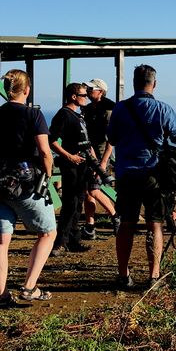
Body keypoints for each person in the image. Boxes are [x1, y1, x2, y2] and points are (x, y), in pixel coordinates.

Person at [0, 69, 56, 305]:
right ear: (27, 90)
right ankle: (29, 286)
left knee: (0, 239)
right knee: (48, 233)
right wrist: (47, 175)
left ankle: (3, 295)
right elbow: (45, 152)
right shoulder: (33, 115)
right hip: (25, 186)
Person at [106, 64, 176, 288]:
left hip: (126, 173)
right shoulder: (163, 109)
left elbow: (111, 139)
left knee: (126, 224)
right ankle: (154, 276)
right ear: (154, 84)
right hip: (154, 173)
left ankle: (124, 275)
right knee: (155, 224)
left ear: (134, 83)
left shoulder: (120, 109)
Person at [49, 83, 93, 256]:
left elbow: (86, 142)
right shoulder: (64, 115)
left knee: (78, 202)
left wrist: (94, 161)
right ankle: (60, 243)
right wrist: (69, 156)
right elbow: (52, 140)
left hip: (83, 165)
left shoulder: (79, 116)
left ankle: (73, 240)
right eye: (83, 95)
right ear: (74, 97)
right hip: (71, 166)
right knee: (70, 203)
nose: (86, 98)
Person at [81, 78, 117, 240]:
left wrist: (103, 162)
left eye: (91, 89)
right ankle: (90, 225)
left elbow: (111, 139)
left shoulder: (109, 110)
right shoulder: (88, 109)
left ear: (100, 92)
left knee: (94, 189)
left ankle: (115, 215)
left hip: (101, 154)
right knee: (88, 190)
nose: (88, 92)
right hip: (89, 153)